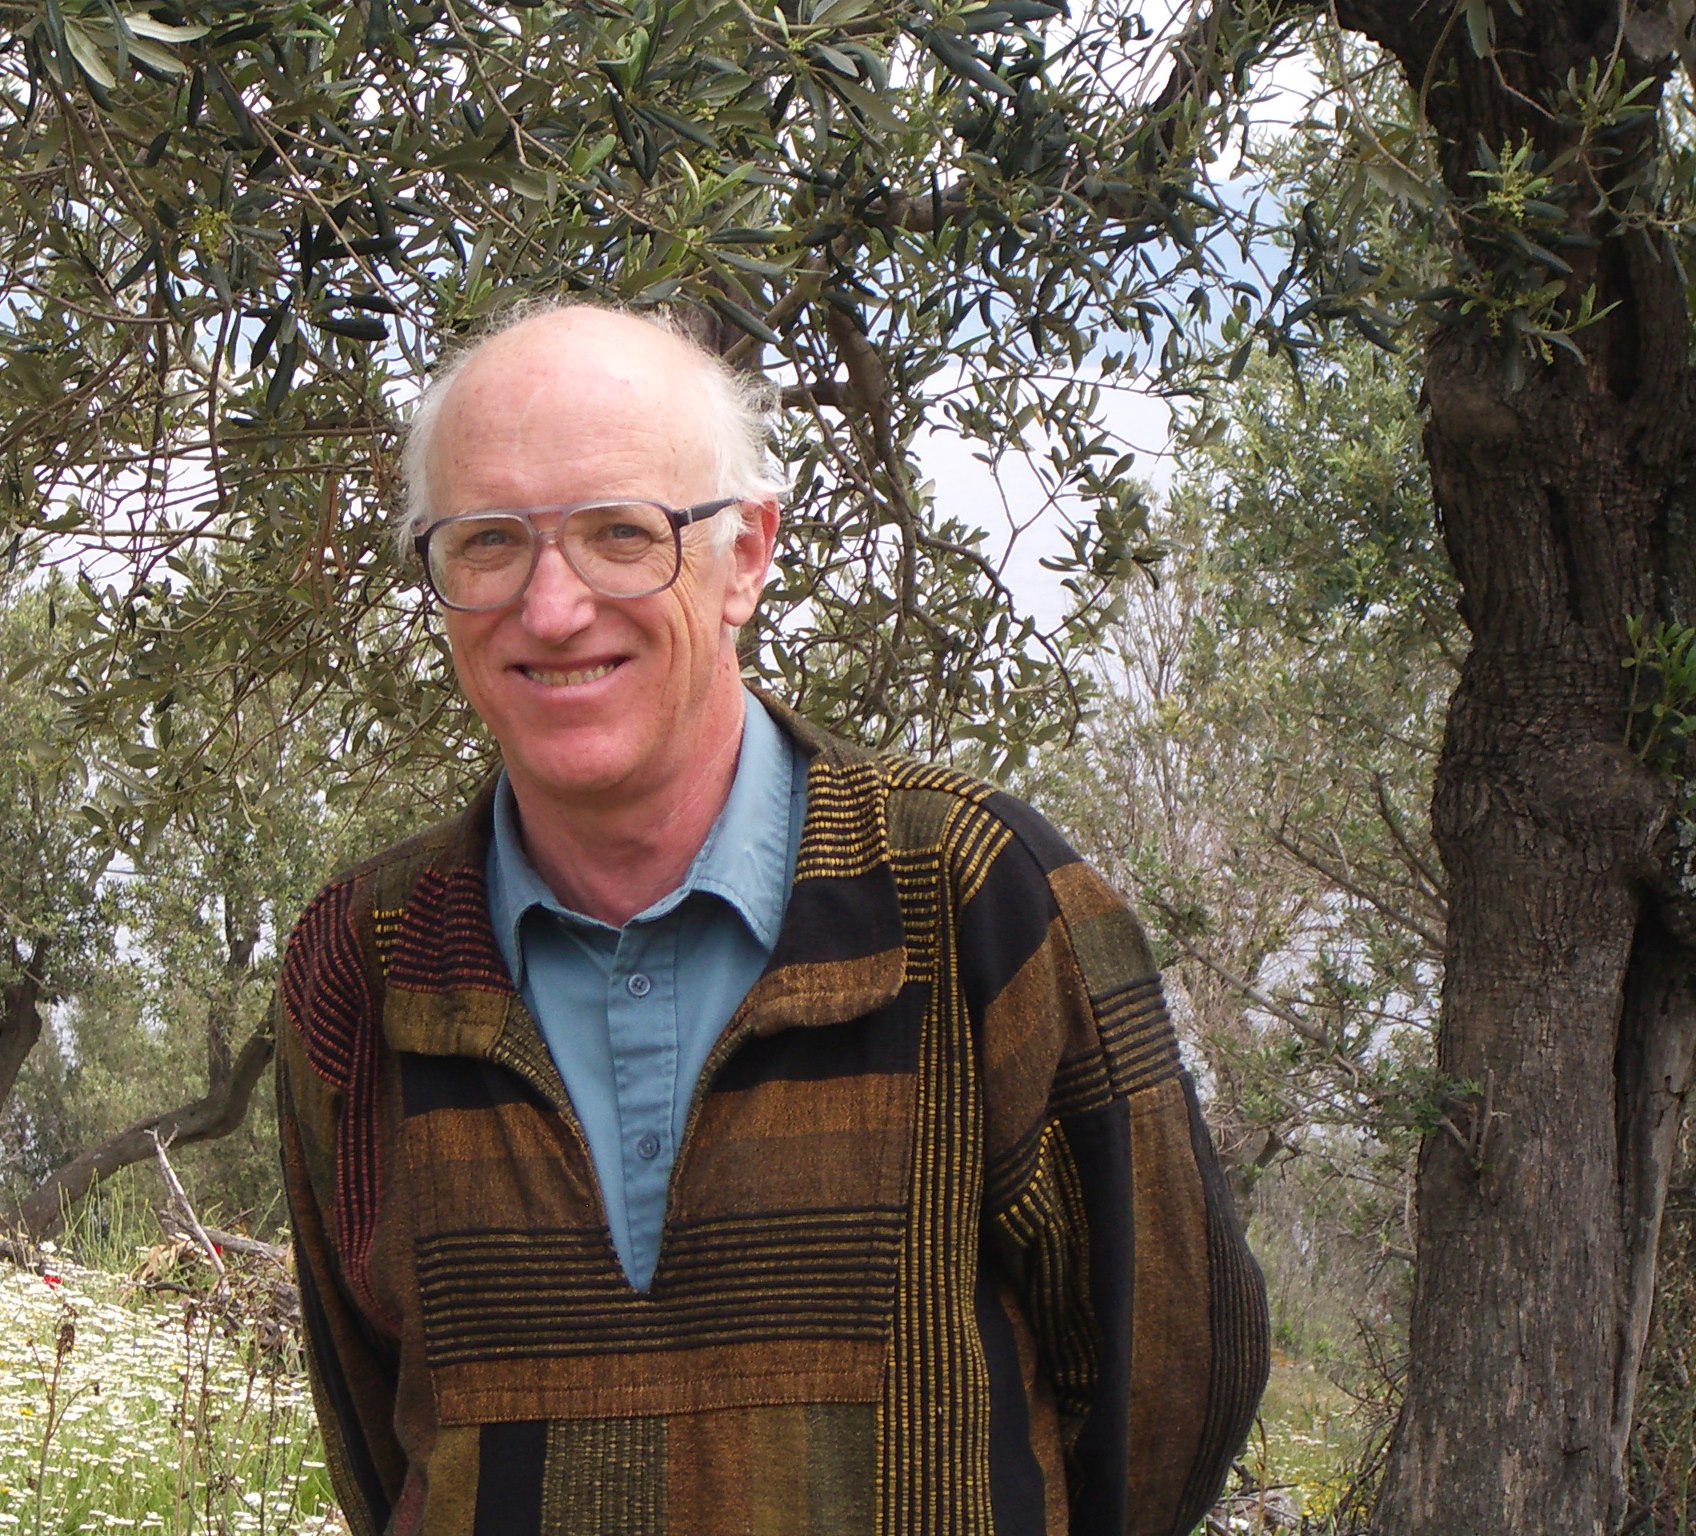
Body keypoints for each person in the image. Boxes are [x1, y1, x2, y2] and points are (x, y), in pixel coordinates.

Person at [275, 302, 1269, 1536]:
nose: (550, 607)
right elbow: (381, 1448)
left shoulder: (976, 902)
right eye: (486, 544)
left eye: (618, 534)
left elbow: (1167, 1379)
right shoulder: (366, 961)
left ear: (745, 555)